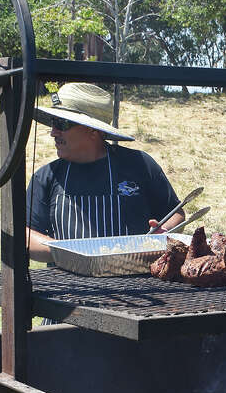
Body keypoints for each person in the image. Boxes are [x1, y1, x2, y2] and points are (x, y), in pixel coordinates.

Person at [25, 83, 184, 262]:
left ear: (93, 130)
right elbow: (27, 235)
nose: (54, 132)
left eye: (62, 124)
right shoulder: (46, 177)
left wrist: (163, 233)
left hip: (136, 284)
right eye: (54, 123)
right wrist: (71, 254)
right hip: (69, 286)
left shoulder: (140, 164)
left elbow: (175, 214)